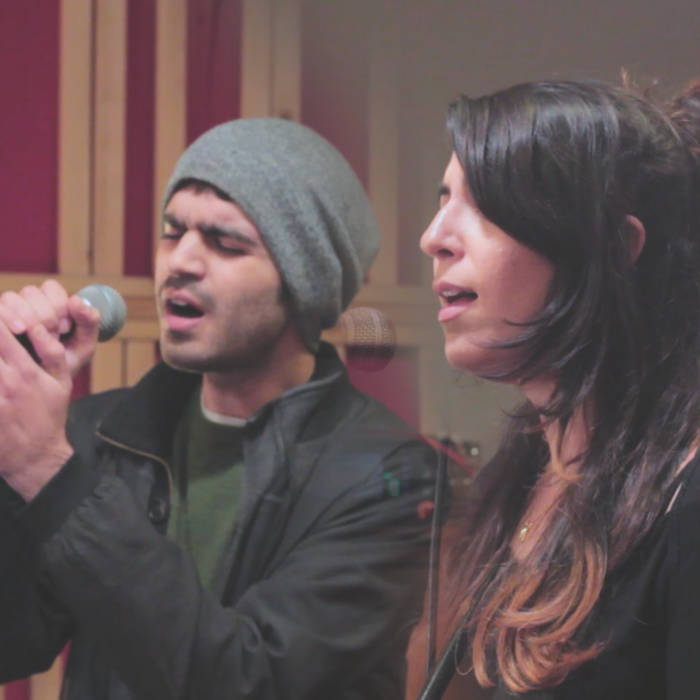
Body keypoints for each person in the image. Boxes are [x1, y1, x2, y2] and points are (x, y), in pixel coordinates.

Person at [0, 118, 437, 699]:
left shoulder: (389, 478)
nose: (180, 261)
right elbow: (13, 641)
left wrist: (47, 473)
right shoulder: (99, 432)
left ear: (304, 283)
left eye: (226, 243)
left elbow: (247, 680)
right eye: (171, 232)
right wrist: (12, 464)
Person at [417, 79, 700, 699]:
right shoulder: (519, 470)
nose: (433, 237)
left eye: (483, 206)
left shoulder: (686, 507)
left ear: (615, 247)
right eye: (444, 201)